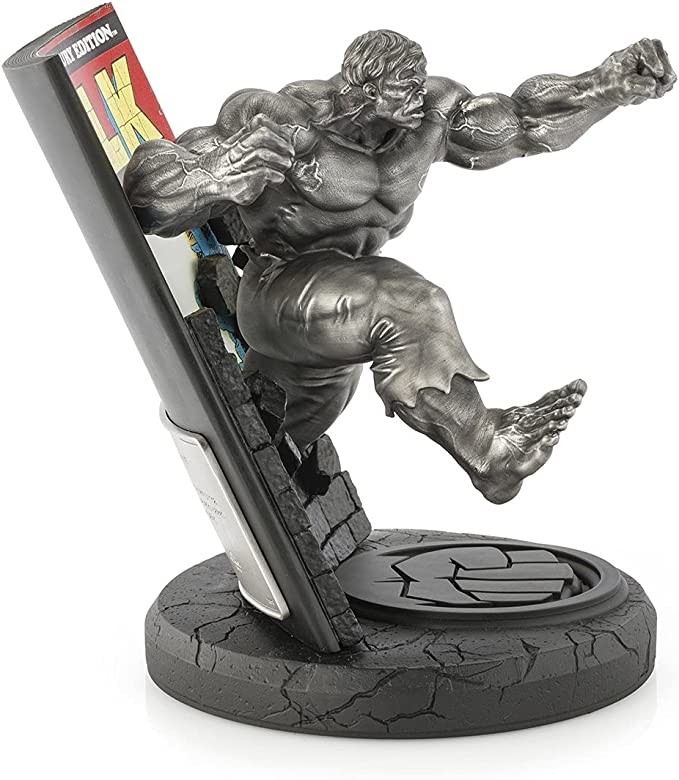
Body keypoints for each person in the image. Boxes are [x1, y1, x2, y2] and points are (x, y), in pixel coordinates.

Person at [124, 31, 674, 503]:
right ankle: (488, 452)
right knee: (409, 301)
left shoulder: (430, 118)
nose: (418, 94)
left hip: (340, 304)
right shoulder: (277, 119)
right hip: (278, 291)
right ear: (363, 89)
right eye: (404, 86)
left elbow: (526, 122)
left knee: (269, 450)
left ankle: (278, 544)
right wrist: (216, 175)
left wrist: (602, 86)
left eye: (420, 83)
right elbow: (146, 197)